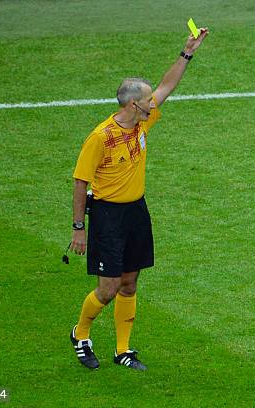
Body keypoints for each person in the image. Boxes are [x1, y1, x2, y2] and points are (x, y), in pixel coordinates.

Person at [68, 26, 209, 370]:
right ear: (134, 104)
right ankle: (80, 332)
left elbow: (167, 85)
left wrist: (187, 52)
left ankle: (122, 350)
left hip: (136, 212)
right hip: (106, 217)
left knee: (130, 283)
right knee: (108, 289)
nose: (153, 102)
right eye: (147, 100)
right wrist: (78, 229)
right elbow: (79, 182)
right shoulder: (100, 137)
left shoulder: (142, 123)